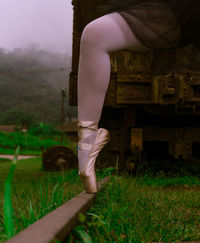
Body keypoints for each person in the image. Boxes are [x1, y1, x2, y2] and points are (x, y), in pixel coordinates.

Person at [77, 0, 200, 194]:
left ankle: (86, 147)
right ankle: (86, 150)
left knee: (95, 36)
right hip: (180, 9)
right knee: (95, 36)